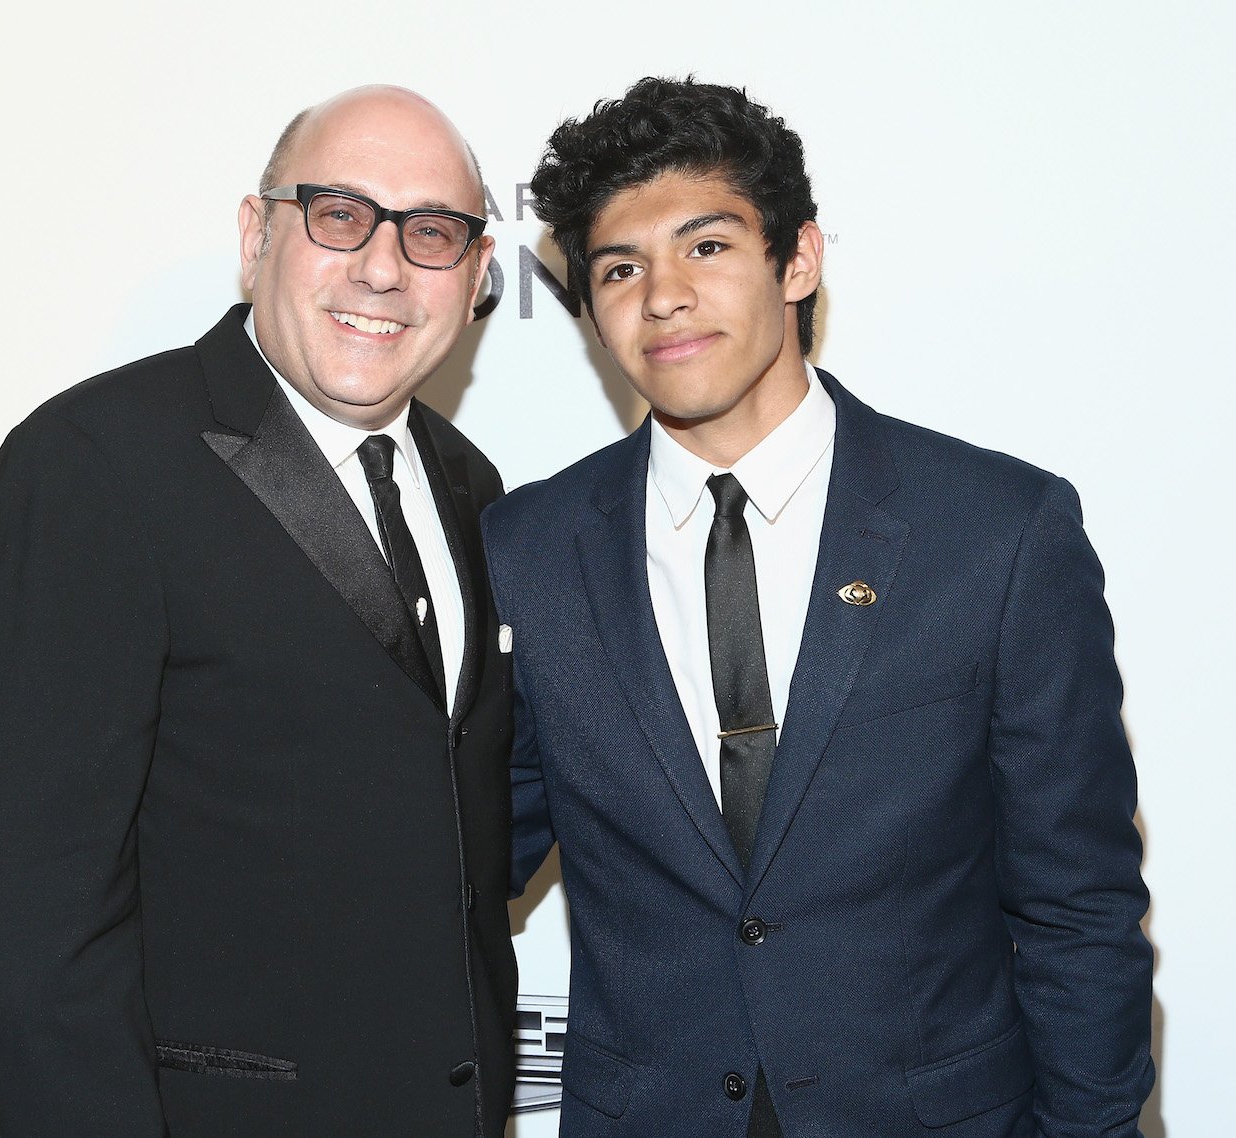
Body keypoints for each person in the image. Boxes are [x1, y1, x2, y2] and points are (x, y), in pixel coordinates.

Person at [484, 77, 1153, 1137]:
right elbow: (457, 860)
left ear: (795, 259)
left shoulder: (994, 531)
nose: (661, 294)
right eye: (619, 267)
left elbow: (1076, 906)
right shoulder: (525, 550)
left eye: (705, 247)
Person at [0, 85, 517, 1138]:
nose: (383, 267)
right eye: (339, 215)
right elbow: (34, 922)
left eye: (431, 233)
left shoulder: (468, 486)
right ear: (258, 235)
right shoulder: (96, 464)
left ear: (478, 274)